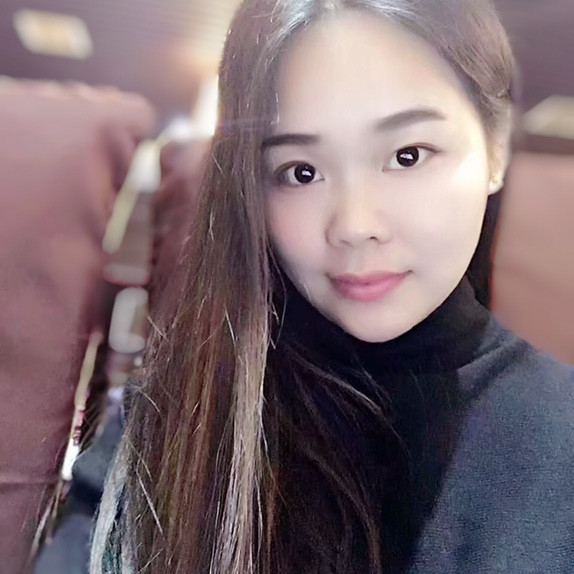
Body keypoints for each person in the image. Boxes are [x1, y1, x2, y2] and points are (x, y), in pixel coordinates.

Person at [91, 1, 574, 573]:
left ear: (495, 150)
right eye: (301, 172)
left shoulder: (558, 434)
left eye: (407, 156)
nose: (353, 225)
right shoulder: (175, 417)